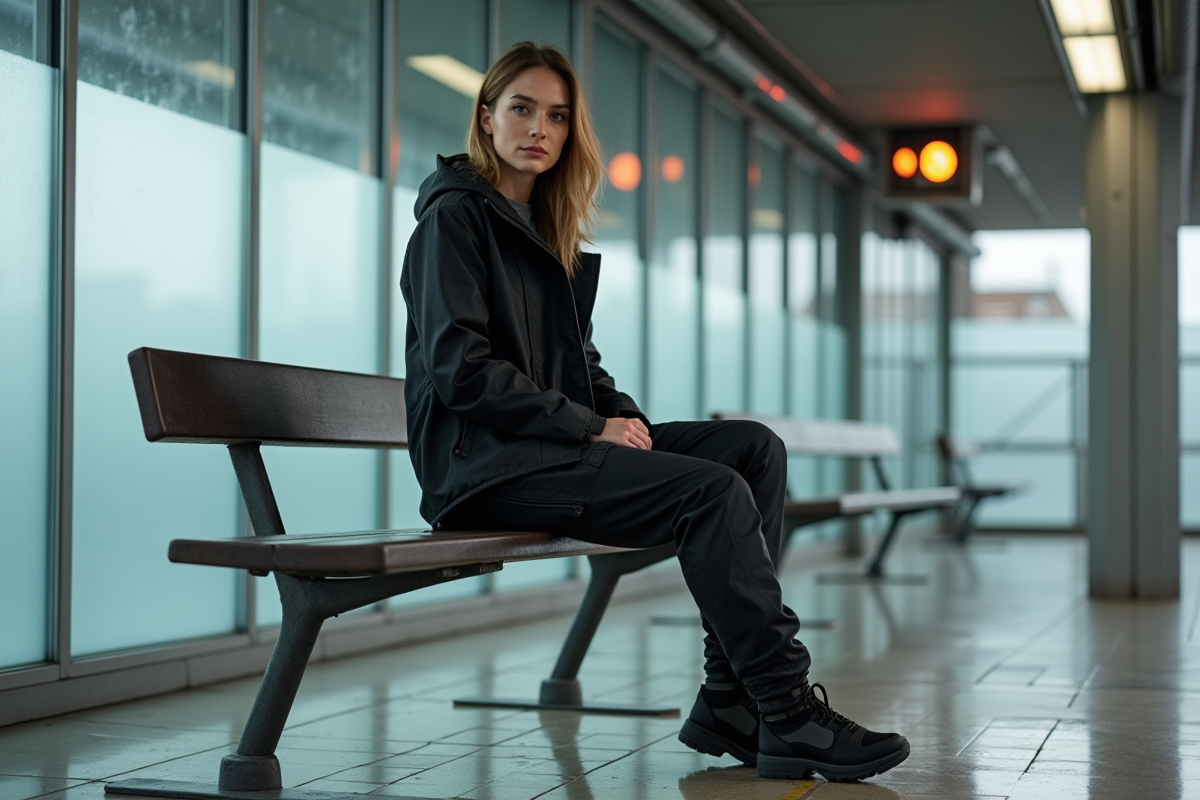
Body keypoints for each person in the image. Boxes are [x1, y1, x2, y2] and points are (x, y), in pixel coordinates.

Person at [399, 40, 909, 782]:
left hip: (541, 449)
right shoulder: (454, 221)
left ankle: (729, 700)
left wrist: (624, 421)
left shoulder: (543, 227)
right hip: (480, 467)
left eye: (557, 116)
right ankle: (788, 708)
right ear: (486, 117)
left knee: (749, 451)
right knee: (711, 493)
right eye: (521, 108)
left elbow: (584, 368)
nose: (538, 127)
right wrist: (589, 428)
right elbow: (461, 373)